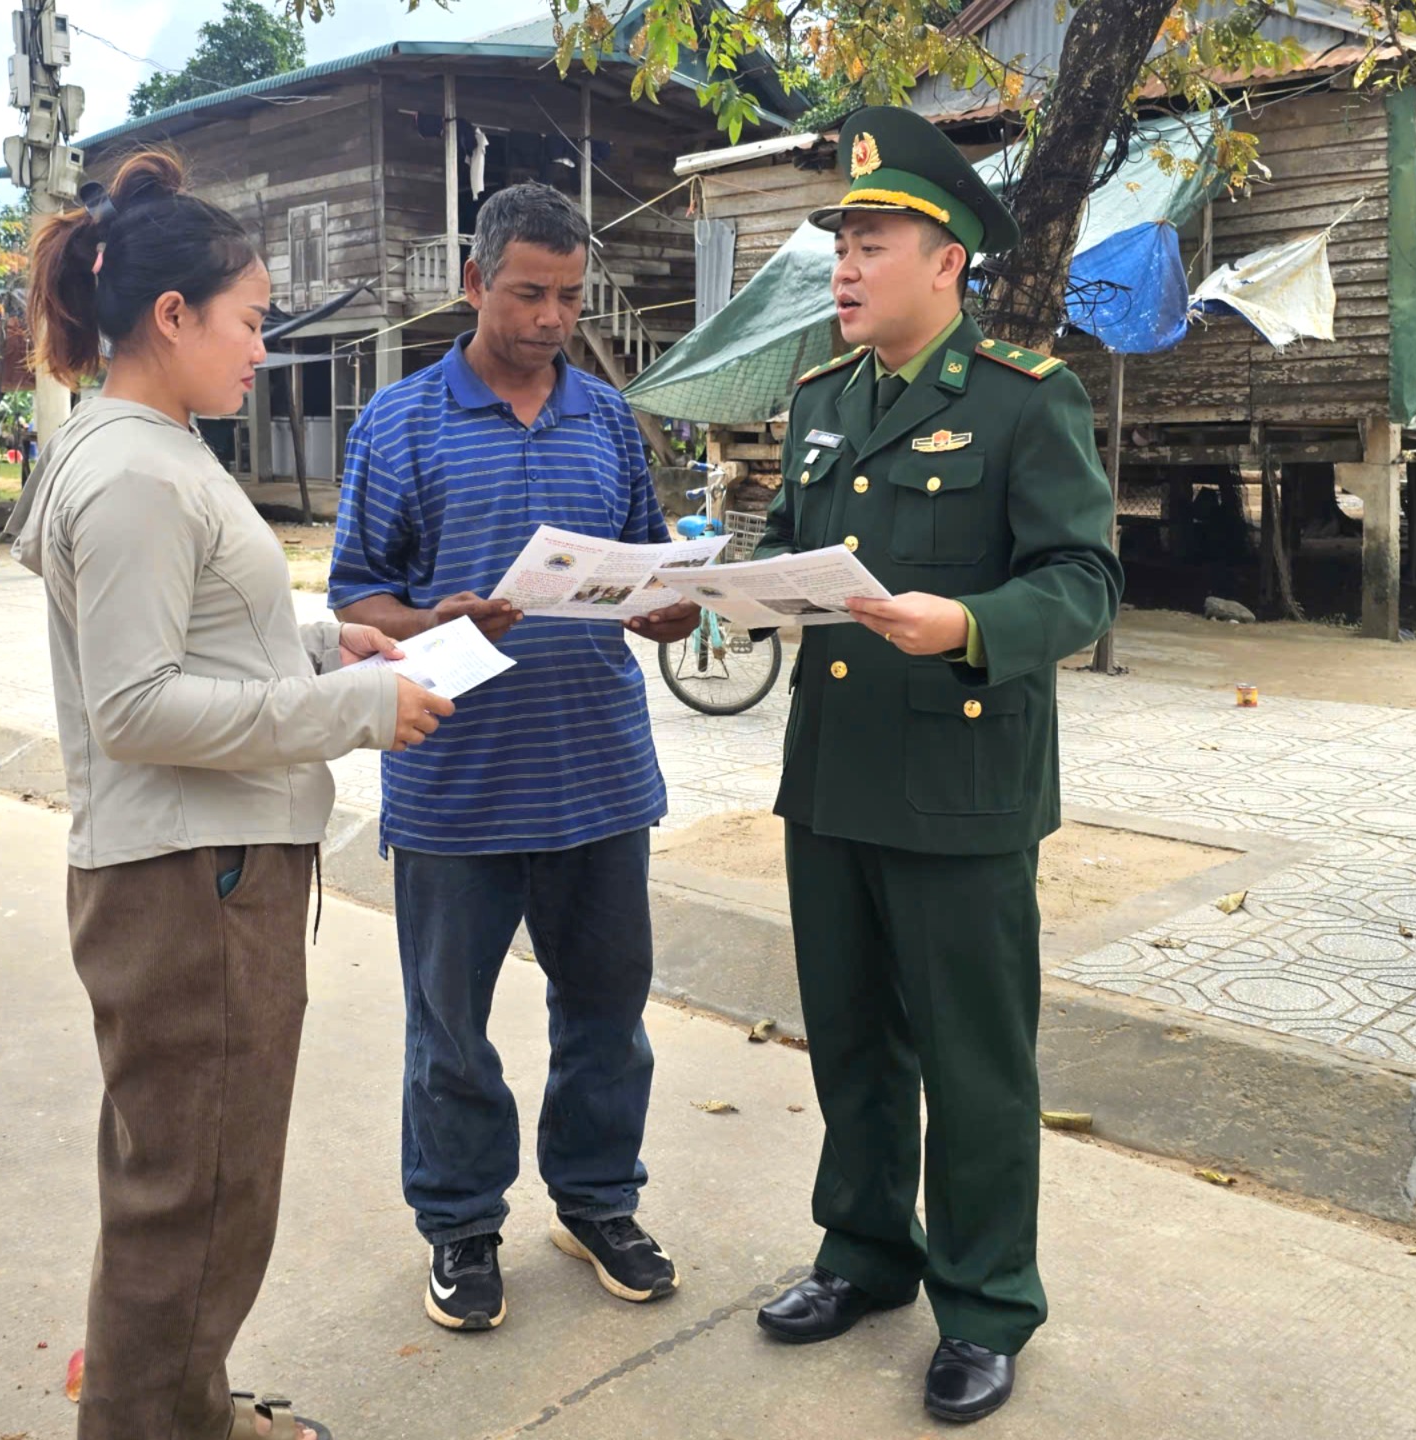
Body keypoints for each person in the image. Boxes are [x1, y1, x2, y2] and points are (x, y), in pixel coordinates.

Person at [13, 150, 455, 1440]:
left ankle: (179, 1409)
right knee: (198, 1196)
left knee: (188, 1182)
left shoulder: (152, 451)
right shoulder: (140, 473)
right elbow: (136, 708)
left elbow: (203, 641)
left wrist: (330, 647)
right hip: (189, 886)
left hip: (202, 870)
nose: (262, 349)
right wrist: (355, 713)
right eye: (251, 322)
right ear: (171, 317)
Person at [748, 107, 1124, 1424]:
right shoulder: (818, 401)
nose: (845, 266)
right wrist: (709, 593)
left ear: (948, 260)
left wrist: (971, 626)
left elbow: (1085, 581)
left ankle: (985, 1303)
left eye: (872, 241)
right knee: (851, 1042)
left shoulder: (1027, 400)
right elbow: (788, 555)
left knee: (974, 1063)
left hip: (962, 790)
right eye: (840, 243)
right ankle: (863, 1255)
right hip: (835, 780)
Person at [327, 183, 701, 1333]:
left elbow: (647, 566)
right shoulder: (398, 423)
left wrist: (672, 608)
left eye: (570, 296)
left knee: (606, 1017)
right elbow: (356, 597)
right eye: (530, 293)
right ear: (475, 284)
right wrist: (429, 618)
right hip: (455, 778)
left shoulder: (605, 416)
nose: (550, 317)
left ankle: (595, 1202)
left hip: (597, 770)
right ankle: (459, 1223)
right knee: (449, 1028)